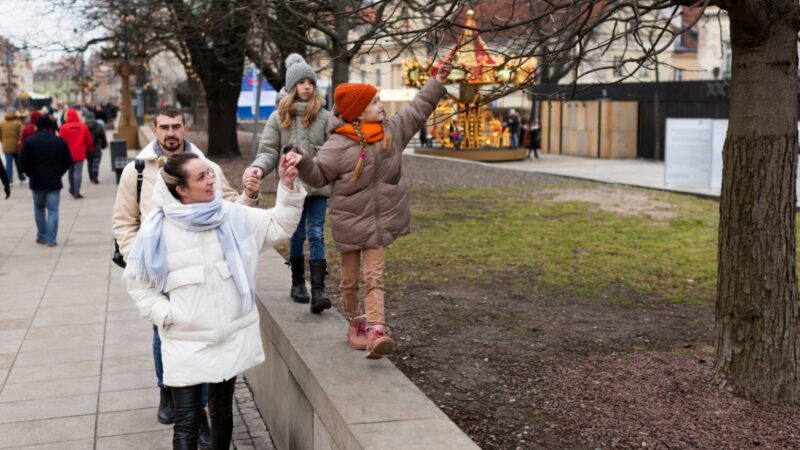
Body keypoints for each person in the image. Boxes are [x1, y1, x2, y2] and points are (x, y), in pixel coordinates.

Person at [125, 151, 305, 449]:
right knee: (186, 419)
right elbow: (139, 285)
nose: (211, 180)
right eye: (201, 177)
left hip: (228, 337)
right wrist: (168, 315)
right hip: (184, 339)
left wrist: (287, 186)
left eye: (209, 173)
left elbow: (278, 226)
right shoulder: (156, 230)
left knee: (221, 411)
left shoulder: (231, 215)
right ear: (181, 189)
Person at [112, 106, 262, 448]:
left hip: (201, 268)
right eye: (163, 127)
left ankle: (201, 413)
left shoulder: (205, 167)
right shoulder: (137, 170)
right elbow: (123, 221)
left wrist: (250, 194)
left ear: (186, 128)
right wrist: (145, 260)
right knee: (163, 330)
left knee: (203, 343)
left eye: (176, 126)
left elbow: (231, 209)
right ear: (154, 130)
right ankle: (168, 391)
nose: (170, 133)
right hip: (162, 271)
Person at [294, 58, 453, 359]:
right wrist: (302, 161)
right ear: (357, 112)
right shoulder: (338, 145)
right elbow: (318, 175)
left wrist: (437, 81)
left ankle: (377, 329)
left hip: (380, 225)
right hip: (350, 224)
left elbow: (418, 108)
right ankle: (355, 319)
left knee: (375, 277)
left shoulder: (392, 131)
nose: (381, 105)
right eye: (375, 101)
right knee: (350, 281)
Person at [243, 53, 333, 314]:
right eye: (301, 82)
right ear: (292, 86)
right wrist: (259, 168)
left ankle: (318, 290)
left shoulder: (325, 117)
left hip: (317, 188)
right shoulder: (278, 117)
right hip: (292, 187)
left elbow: (331, 151)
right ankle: (297, 283)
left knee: (316, 233)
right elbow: (269, 150)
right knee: (296, 233)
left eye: (310, 82)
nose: (306, 86)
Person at [19, 116, 73, 246]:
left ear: (37, 127)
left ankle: (41, 235)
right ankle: (51, 239)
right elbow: (68, 161)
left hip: (37, 181)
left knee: (39, 208)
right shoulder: (59, 141)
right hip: (53, 180)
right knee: (53, 209)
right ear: (50, 128)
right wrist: (59, 172)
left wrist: (30, 174)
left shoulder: (30, 142)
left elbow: (23, 162)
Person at [59, 108, 93, 199]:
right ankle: (77, 191)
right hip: (79, 153)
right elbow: (89, 140)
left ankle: (72, 188)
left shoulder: (64, 127)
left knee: (71, 172)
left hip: (68, 153)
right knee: (78, 172)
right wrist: (90, 149)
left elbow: (60, 141)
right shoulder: (83, 127)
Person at [1, 109, 25, 184]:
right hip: (17, 146)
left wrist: (3, 142)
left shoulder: (2, 124)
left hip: (6, 146)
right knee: (19, 163)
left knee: (9, 164)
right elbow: (22, 134)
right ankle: (21, 177)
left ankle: (9, 180)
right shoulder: (18, 123)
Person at [84, 111, 108, 184]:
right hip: (97, 147)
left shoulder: (83, 126)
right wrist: (104, 145)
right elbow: (103, 137)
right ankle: (95, 177)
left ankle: (91, 177)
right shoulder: (98, 125)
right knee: (96, 163)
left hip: (88, 148)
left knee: (89, 162)